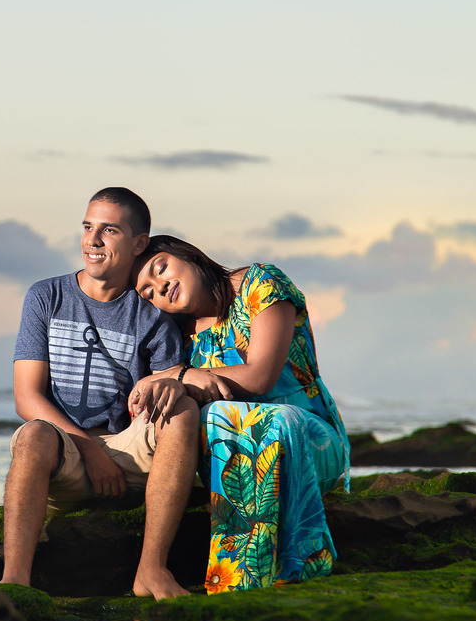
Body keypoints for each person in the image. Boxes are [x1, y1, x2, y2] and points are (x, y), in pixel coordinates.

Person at [0, 189, 201, 600]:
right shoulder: (46, 297)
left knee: (180, 409)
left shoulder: (153, 313)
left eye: (109, 230)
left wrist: (173, 385)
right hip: (67, 455)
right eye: (88, 227)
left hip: (129, 454)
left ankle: (151, 570)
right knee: (34, 434)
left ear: (138, 243)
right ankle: (15, 582)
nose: (92, 240)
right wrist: (89, 451)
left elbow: (163, 392)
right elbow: (26, 398)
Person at [133, 235, 349, 592]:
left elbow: (260, 376)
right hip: (229, 453)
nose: (161, 286)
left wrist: (181, 375)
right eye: (148, 292)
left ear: (189, 256)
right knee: (211, 416)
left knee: (259, 418)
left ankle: (248, 579)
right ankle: (238, 578)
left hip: (308, 439)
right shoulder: (179, 337)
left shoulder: (260, 284)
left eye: (161, 269)